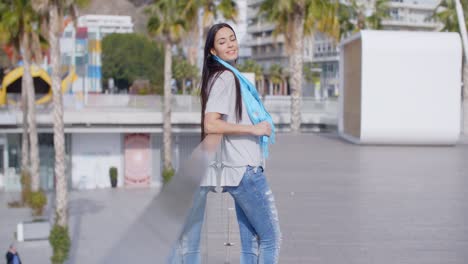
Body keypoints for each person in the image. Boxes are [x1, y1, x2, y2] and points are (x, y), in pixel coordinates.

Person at [169, 23, 281, 264]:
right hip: (246, 171)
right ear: (212, 51)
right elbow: (211, 124)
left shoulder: (223, 76)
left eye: (232, 38)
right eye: (222, 41)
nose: (230, 44)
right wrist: (254, 128)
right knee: (271, 239)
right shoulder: (226, 78)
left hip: (238, 172)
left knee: (251, 243)